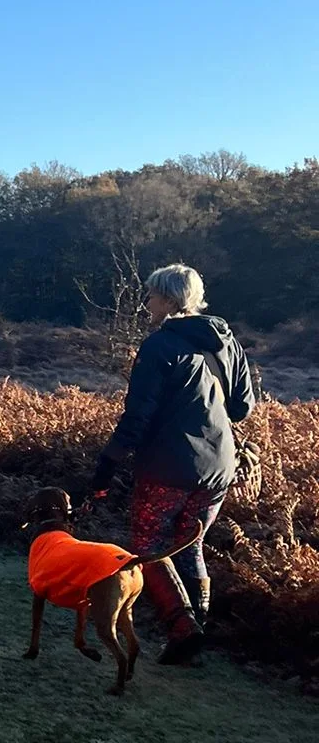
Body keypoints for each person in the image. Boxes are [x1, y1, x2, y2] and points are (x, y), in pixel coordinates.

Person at [90, 262, 255, 666]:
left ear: (167, 299)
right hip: (219, 466)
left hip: (168, 466)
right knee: (190, 543)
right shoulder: (227, 342)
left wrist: (107, 464)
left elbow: (137, 416)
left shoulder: (159, 346)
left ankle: (182, 629)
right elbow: (242, 408)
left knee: (148, 545)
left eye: (151, 295)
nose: (147, 302)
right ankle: (195, 632)